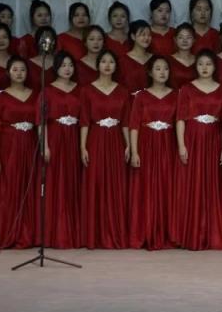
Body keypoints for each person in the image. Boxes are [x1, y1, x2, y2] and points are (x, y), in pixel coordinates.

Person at [173, 50, 222, 250]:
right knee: (192, 184)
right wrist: (181, 145)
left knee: (212, 184)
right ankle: (190, 233)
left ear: (215, 67)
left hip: (214, 140)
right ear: (195, 67)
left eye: (209, 64)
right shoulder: (186, 89)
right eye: (201, 64)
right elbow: (181, 119)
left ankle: (211, 234)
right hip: (192, 140)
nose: (205, 68)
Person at [80, 50, 131, 249]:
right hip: (96, 139)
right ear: (97, 65)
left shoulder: (123, 91)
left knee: (116, 185)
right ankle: (95, 235)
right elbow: (85, 120)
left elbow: (125, 121)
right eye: (103, 61)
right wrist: (83, 146)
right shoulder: (87, 90)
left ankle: (116, 233)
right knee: (97, 183)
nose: (107, 65)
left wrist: (128, 144)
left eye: (111, 62)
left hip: (116, 140)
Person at [128, 55, 178, 250]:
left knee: (167, 186)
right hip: (147, 144)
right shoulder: (141, 96)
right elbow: (134, 125)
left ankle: (168, 232)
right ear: (150, 72)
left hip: (168, 144)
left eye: (165, 68)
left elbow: (180, 123)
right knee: (146, 187)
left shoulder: (176, 95)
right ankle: (146, 232)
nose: (162, 72)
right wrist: (134, 151)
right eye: (157, 68)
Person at [0, 56, 39, 248]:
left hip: (30, 144)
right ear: (8, 72)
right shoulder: (0, 97)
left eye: (23, 69)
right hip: (9, 146)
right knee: (9, 188)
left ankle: (29, 234)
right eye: (15, 69)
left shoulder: (35, 95)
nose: (19, 73)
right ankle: (8, 232)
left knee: (30, 187)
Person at [42, 52, 83, 249]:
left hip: (74, 138)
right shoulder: (47, 91)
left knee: (73, 182)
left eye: (70, 65)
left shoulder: (80, 90)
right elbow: (41, 122)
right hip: (56, 139)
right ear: (56, 67)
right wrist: (44, 145)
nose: (67, 69)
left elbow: (85, 120)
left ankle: (73, 232)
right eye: (63, 65)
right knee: (56, 183)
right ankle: (55, 233)